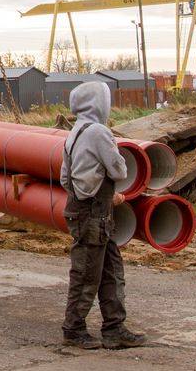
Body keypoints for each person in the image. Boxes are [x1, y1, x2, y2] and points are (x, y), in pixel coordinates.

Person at [58, 80, 146, 350]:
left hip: (87, 211)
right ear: (100, 104)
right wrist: (105, 193)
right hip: (94, 215)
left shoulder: (75, 132)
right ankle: (74, 330)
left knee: (108, 271)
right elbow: (119, 170)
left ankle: (114, 329)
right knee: (88, 274)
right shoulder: (98, 132)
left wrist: (95, 192)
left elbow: (65, 178)